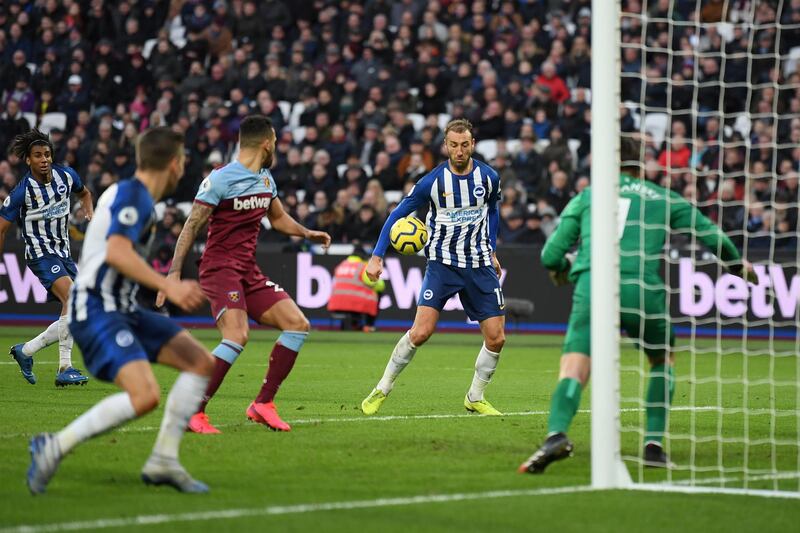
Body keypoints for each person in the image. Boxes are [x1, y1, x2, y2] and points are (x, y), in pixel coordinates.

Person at [518, 137, 755, 474]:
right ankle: (653, 446)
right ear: (640, 165)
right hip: (642, 289)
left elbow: (550, 255)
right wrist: (736, 267)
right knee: (662, 359)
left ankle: (556, 434)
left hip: (593, 286)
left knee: (574, 367)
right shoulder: (662, 197)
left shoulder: (587, 197)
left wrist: (564, 272)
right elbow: (713, 236)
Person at [26, 127, 215, 494]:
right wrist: (167, 284)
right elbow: (117, 252)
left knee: (200, 363)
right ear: (175, 164)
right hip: (95, 310)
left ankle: (163, 460)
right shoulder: (135, 195)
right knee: (145, 395)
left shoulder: (133, 194)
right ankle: (54, 446)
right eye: (183, 161)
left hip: (123, 308)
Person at [158, 115, 331, 434]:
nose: (276, 147)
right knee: (237, 335)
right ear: (266, 143)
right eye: (276, 142)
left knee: (297, 325)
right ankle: (193, 411)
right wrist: (173, 273)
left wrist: (307, 233)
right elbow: (192, 225)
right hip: (218, 268)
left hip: (247, 270)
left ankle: (263, 404)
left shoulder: (266, 179)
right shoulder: (221, 179)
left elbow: (278, 220)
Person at [360, 119, 506, 416]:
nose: (459, 150)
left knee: (496, 337)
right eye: (454, 145)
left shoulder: (489, 178)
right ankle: (383, 387)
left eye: (465, 145)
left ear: (472, 144)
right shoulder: (432, 181)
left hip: (478, 264)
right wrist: (377, 255)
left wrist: (490, 248)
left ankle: (475, 397)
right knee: (421, 332)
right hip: (442, 264)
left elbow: (493, 212)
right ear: (445, 146)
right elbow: (397, 214)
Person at [0, 128, 93, 386]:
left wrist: (89, 212)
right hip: (40, 253)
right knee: (72, 298)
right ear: (28, 160)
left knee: (77, 308)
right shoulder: (22, 191)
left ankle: (26, 351)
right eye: (38, 155)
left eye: (47, 154)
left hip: (63, 251)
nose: (44, 159)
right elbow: (2, 227)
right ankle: (65, 368)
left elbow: (84, 192)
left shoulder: (66, 176)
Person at [327, 250, 386, 332]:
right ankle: (369, 326)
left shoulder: (341, 265)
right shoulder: (363, 266)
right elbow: (375, 284)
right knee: (376, 293)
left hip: (335, 303)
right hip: (355, 304)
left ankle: (356, 325)